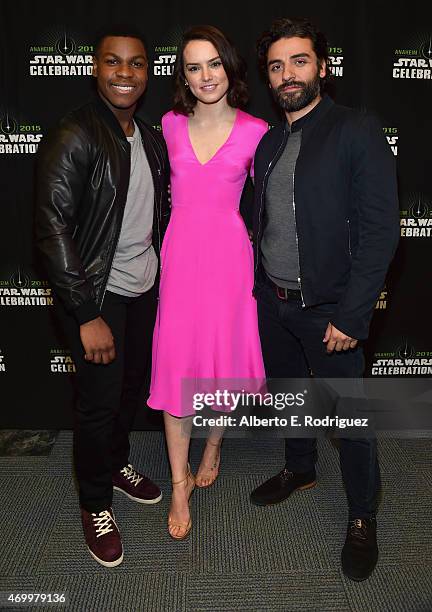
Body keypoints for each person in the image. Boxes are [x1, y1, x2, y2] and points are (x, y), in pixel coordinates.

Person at [250, 17, 399, 581]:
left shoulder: (356, 130)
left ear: (323, 66)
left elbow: (381, 230)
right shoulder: (269, 141)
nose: (288, 74)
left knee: (351, 419)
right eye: (277, 65)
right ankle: (299, 467)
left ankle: (362, 515)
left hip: (331, 311)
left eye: (299, 61)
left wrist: (353, 313)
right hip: (275, 301)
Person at [35, 27, 170, 568]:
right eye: (113, 62)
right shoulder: (76, 132)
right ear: (95, 68)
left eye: (136, 63)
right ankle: (95, 502)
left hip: (144, 287)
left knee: (129, 389)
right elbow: (51, 229)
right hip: (95, 292)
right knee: (97, 404)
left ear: (146, 73)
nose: (124, 72)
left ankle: (115, 463)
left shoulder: (149, 137)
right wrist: (87, 313)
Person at [148, 25, 267, 540]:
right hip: (181, 259)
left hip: (228, 261)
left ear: (229, 67)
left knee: (220, 362)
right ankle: (179, 484)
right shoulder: (169, 124)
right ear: (184, 77)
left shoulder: (258, 130)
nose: (205, 76)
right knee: (177, 372)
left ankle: (214, 443)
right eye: (193, 67)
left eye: (213, 63)